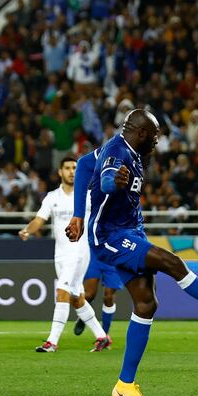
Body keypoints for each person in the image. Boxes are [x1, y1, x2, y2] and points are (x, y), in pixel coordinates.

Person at [65, 109, 198, 396]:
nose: (158, 142)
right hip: (109, 236)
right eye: (155, 136)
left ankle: (124, 385)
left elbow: (82, 165)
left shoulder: (124, 149)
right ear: (141, 133)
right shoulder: (118, 152)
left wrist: (78, 213)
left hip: (131, 230)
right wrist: (110, 182)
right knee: (173, 263)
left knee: (146, 303)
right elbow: (105, 178)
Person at [19, 155, 111, 353]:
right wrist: (28, 229)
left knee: (62, 290)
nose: (71, 171)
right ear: (60, 172)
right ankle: (102, 337)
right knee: (76, 298)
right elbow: (39, 219)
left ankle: (52, 341)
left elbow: (103, 216)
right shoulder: (52, 197)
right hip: (60, 254)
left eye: (75, 168)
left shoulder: (87, 196)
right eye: (67, 168)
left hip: (79, 252)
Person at [67, 144, 124, 340]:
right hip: (95, 252)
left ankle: (104, 335)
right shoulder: (91, 193)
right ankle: (85, 318)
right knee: (89, 294)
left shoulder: (120, 193)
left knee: (109, 296)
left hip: (114, 253)